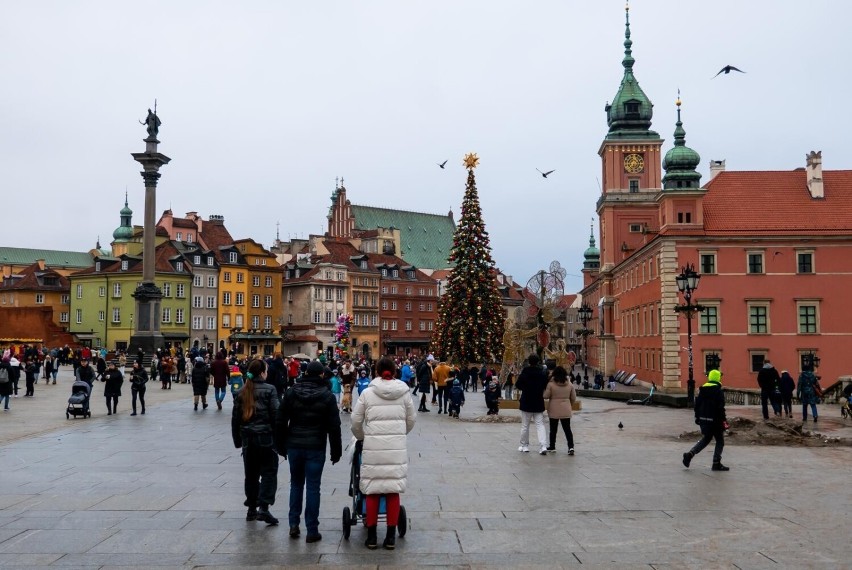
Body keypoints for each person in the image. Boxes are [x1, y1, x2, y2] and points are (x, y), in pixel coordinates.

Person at [351, 357, 416, 550]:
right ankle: (390, 537)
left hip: (373, 448)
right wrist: (400, 433)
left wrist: (362, 436)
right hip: (396, 449)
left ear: (376, 372)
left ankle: (371, 537)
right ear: (395, 371)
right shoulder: (404, 393)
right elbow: (411, 420)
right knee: (392, 491)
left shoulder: (368, 393)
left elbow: (355, 421)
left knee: (372, 490)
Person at [275, 360, 342, 543]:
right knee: (313, 487)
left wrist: (280, 445)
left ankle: (293, 524)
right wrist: (336, 452)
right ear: (321, 375)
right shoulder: (327, 396)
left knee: (296, 485)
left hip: (294, 445)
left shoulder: (291, 392)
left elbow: (280, 420)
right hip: (315, 447)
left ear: (305, 374)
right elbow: (334, 427)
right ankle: (312, 530)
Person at [232, 358, 280, 525]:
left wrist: (238, 441)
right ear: (262, 373)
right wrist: (279, 439)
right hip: (266, 438)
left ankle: (251, 508)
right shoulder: (270, 390)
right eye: (266, 370)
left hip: (248, 440)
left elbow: (235, 419)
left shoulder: (242, 391)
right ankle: (264, 508)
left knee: (251, 475)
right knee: (268, 472)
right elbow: (276, 415)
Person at [682, 369, 729, 471]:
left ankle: (690, 454)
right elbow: (720, 408)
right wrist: (724, 421)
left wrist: (698, 418)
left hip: (703, 420)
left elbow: (697, 406)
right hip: (715, 421)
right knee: (720, 441)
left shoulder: (702, 390)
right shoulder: (718, 391)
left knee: (706, 438)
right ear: (718, 378)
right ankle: (716, 463)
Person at [515, 354, 550, 455]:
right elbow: (545, 385)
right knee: (540, 425)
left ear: (529, 362)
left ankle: (524, 445)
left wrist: (526, 388)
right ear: (538, 362)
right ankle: (543, 446)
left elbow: (518, 385)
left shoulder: (525, 373)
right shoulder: (542, 373)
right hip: (538, 401)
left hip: (526, 400)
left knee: (525, 425)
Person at [544, 366, 578, 455]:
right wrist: (569, 404)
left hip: (553, 409)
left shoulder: (551, 384)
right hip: (566, 408)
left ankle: (552, 446)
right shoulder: (570, 384)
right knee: (567, 429)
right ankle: (571, 447)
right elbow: (573, 397)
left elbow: (546, 396)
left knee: (553, 429)